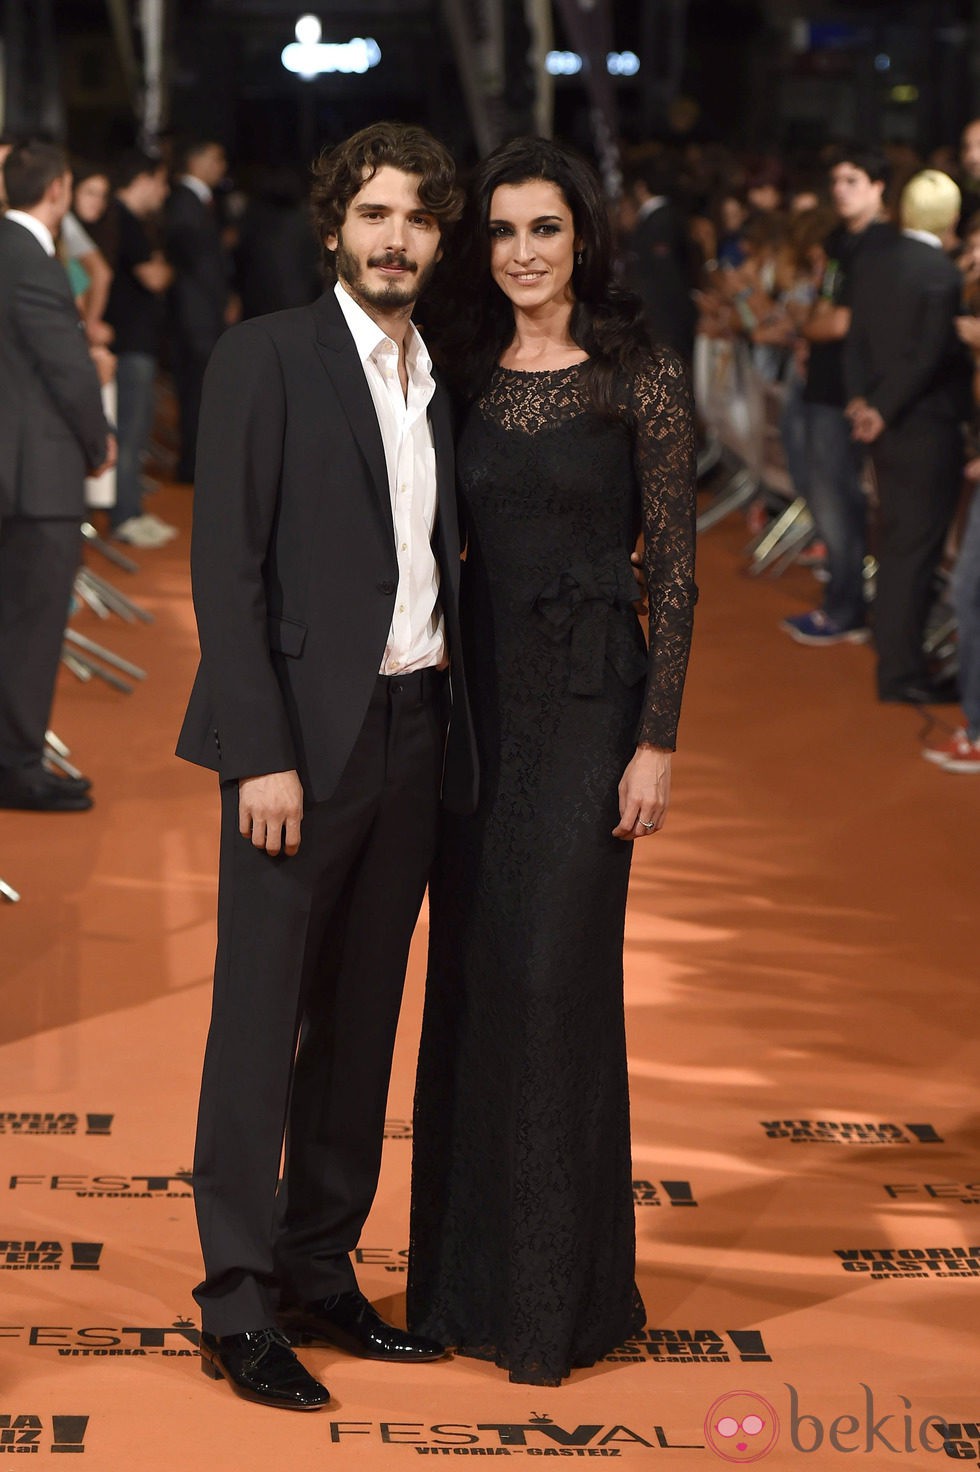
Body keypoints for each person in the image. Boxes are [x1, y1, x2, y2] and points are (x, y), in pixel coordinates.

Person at [175, 121, 477, 1412]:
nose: (394, 238)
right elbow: (224, 573)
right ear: (335, 226)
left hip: (418, 731)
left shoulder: (433, 372)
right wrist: (261, 757)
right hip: (297, 746)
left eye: (414, 218)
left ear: (437, 236)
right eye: (372, 215)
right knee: (260, 1025)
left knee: (360, 1026)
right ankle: (238, 1300)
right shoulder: (267, 355)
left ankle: (320, 1268)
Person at [407, 136, 698, 1386]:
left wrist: (657, 741)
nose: (524, 253)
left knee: (551, 978)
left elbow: (676, 573)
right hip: (479, 712)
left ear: (583, 239)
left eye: (547, 229)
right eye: (506, 231)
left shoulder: (638, 374)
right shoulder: (463, 369)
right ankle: (465, 1287)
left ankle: (558, 1298)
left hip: (590, 707)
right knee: (473, 980)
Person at [0, 141, 114, 812]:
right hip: (34, 475)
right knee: (33, 628)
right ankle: (18, 766)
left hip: (15, 467)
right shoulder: (32, 257)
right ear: (61, 191)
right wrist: (97, 442)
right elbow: (67, 365)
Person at [844, 169, 972, 704]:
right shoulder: (942, 272)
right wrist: (881, 407)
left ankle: (897, 661)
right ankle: (902, 673)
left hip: (884, 427)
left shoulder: (874, 260)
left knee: (897, 544)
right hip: (924, 427)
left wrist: (860, 403)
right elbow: (927, 355)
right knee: (914, 553)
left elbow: (855, 337)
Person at [781, 145, 895, 646]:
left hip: (850, 393)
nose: (840, 190)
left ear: (878, 187)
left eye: (852, 180)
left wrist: (811, 325)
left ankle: (846, 607)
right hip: (819, 383)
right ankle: (844, 595)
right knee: (820, 491)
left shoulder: (882, 246)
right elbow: (825, 307)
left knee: (838, 500)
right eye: (836, 181)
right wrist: (812, 329)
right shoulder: (837, 241)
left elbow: (846, 320)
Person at [103, 151, 175, 548]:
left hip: (133, 342)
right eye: (161, 182)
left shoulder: (124, 220)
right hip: (129, 343)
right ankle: (125, 516)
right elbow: (155, 276)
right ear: (144, 179)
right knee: (129, 434)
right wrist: (164, 266)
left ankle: (130, 510)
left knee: (133, 433)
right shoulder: (125, 221)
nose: (164, 192)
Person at [164, 139, 233, 482]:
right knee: (196, 393)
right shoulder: (184, 200)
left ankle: (195, 464)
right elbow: (193, 260)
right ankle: (192, 466)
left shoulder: (201, 201)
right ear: (198, 159)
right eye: (217, 158)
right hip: (194, 318)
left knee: (203, 392)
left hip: (203, 315)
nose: (222, 166)